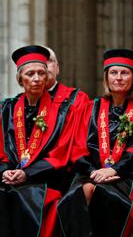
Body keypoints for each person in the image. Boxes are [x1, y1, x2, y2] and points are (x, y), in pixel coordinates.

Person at [57, 49, 133, 237]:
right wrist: (93, 172)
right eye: (114, 72)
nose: (119, 78)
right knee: (78, 194)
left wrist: (114, 169)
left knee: (104, 196)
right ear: (106, 77)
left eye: (125, 73)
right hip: (93, 173)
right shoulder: (92, 107)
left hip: (126, 175)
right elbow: (78, 147)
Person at [0, 45, 76, 237]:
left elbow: (60, 153)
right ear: (20, 79)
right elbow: (1, 149)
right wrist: (5, 170)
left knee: (25, 196)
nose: (36, 78)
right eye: (30, 74)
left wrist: (28, 173)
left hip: (44, 178)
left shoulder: (62, 111)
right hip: (9, 175)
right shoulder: (7, 108)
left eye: (41, 73)